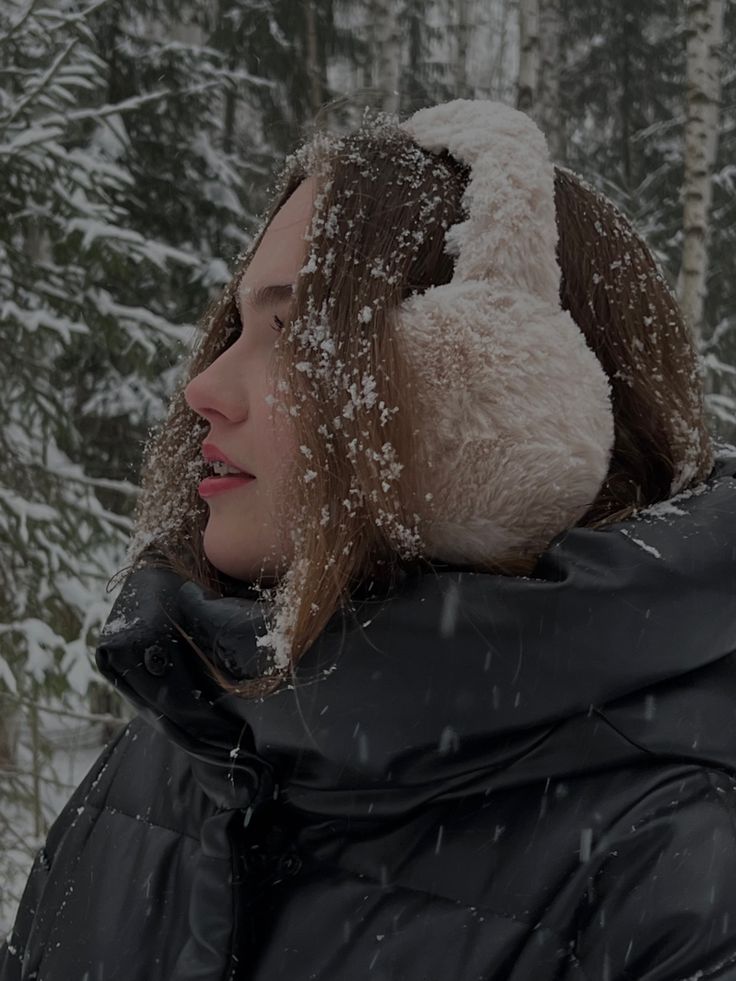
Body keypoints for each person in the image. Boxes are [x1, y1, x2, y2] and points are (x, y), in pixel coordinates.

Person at [2, 98, 736, 981]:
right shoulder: (176, 751)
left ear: (490, 401)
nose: (204, 386)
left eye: (298, 331)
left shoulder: (677, 872)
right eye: (237, 327)